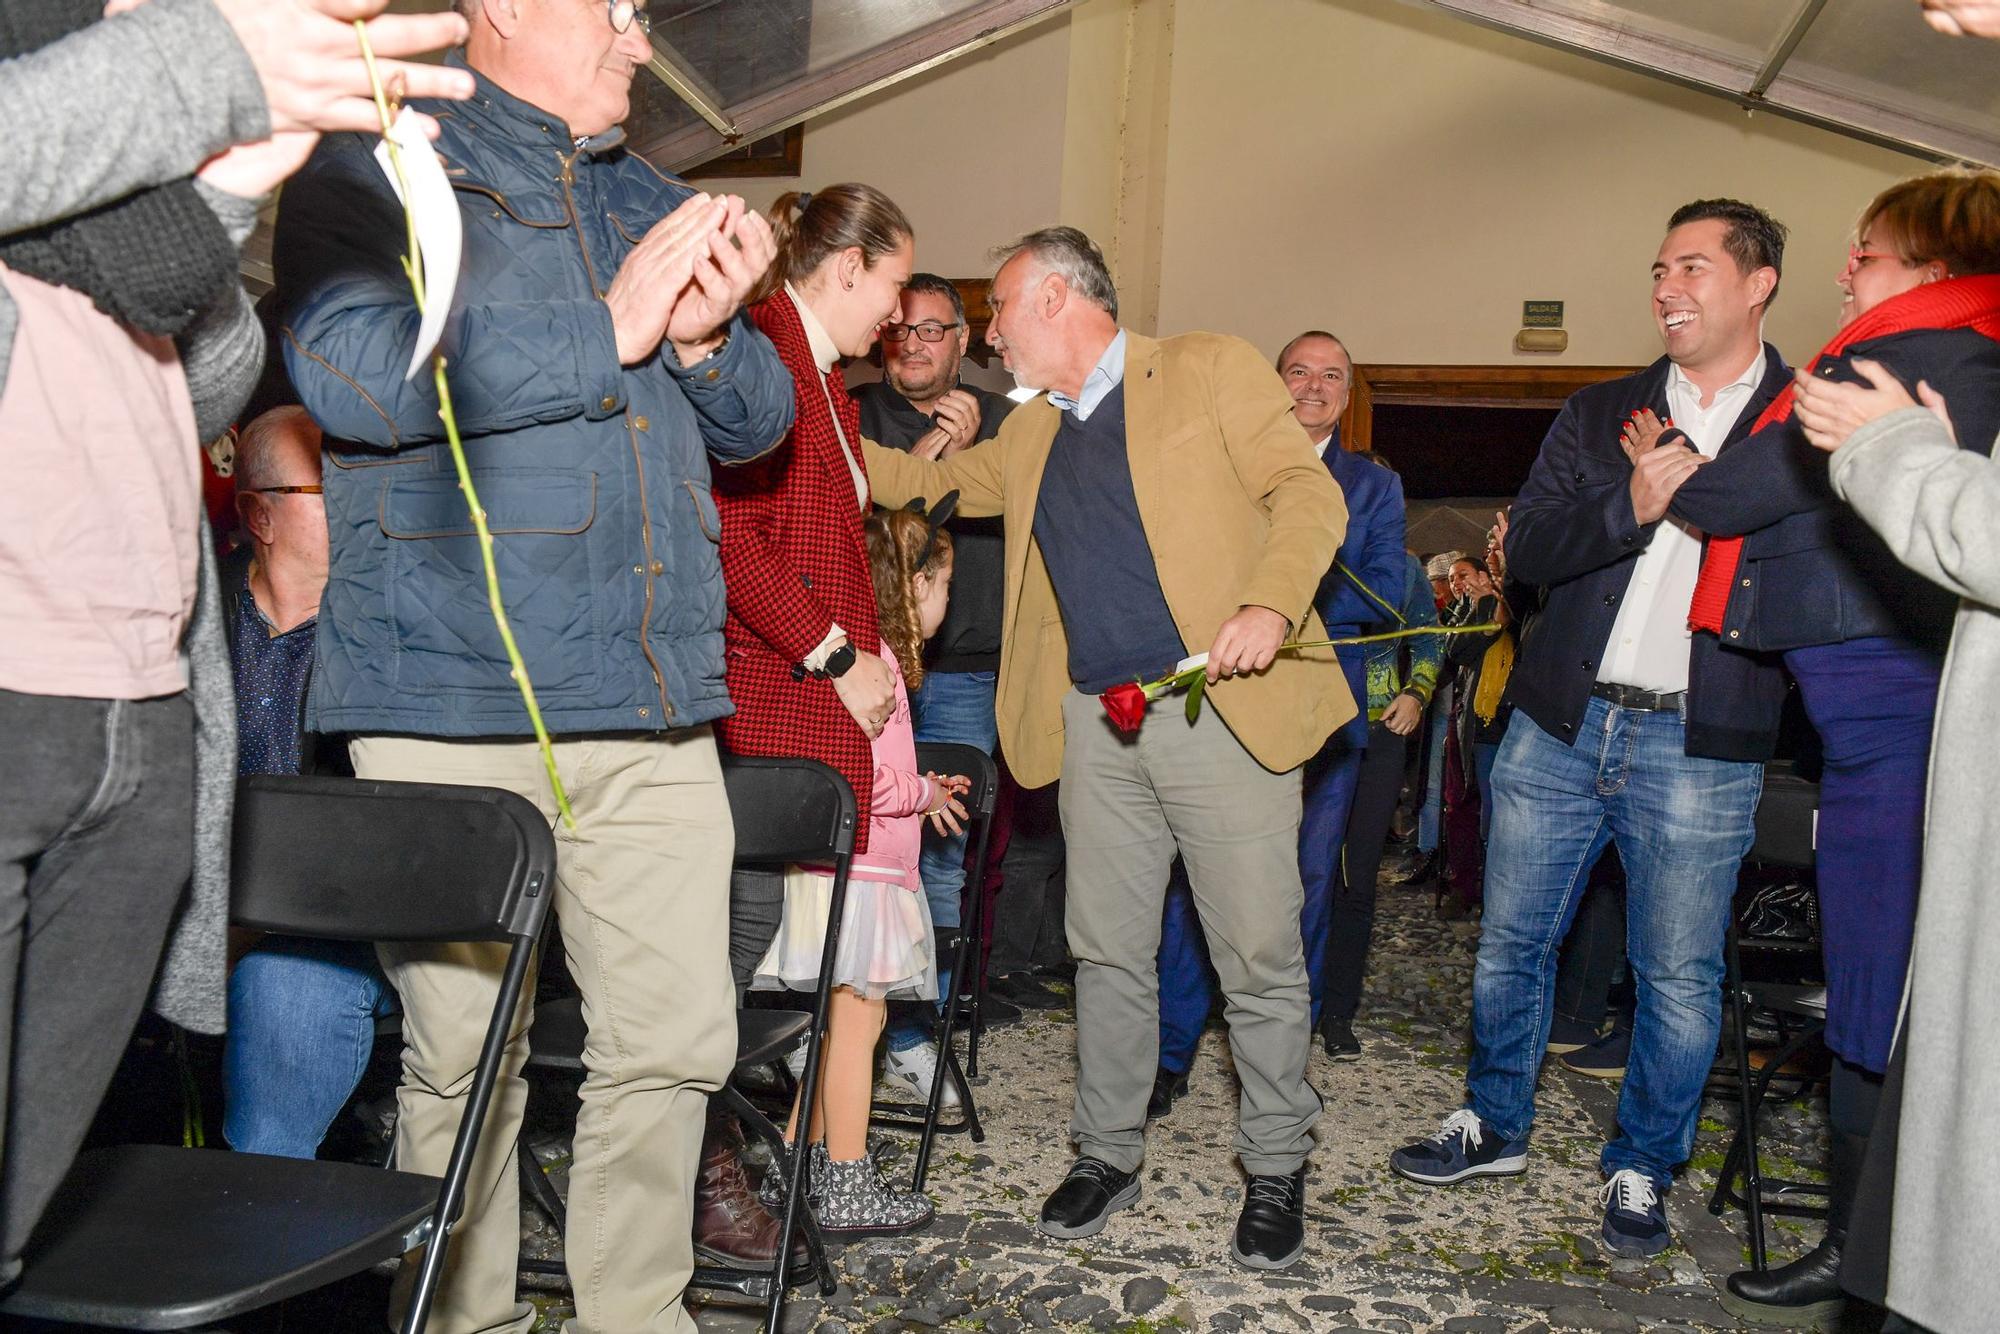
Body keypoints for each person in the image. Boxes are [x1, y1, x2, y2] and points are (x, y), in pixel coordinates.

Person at [274, 0, 795, 1324]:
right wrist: (604, 328)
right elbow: (350, 375)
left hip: (651, 702)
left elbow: (761, 424)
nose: (640, 38)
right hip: (449, 701)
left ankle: (636, 1315)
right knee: (464, 1058)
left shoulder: (649, 195)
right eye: (613, 7)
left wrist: (706, 340)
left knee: (676, 1044)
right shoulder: (376, 162)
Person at [0, 0, 471, 1289]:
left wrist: (225, 191)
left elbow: (197, 380)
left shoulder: (135, 167)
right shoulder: (130, 68)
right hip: (20, 681)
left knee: (21, 1202)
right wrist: (205, 66)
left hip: (143, 702)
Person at [863, 226, 1349, 1271]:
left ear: (1051, 298)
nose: (992, 336)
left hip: (1217, 704)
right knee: (1106, 951)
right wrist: (793, 408)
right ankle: (1107, 1151)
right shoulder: (1031, 431)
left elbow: (1307, 493)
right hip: (1096, 719)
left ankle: (1275, 1162)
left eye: (997, 310)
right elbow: (908, 478)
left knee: (1255, 954)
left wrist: (1270, 602)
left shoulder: (1207, 366)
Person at [1390, 199, 1796, 1260]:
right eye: (1659, 269)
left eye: (1693, 267)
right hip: (1561, 723)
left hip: (1701, 740)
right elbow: (1526, 549)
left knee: (1677, 977)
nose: (1666, 288)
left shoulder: (1802, 420)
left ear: (1757, 283)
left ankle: (1642, 1163)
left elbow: (1814, 577)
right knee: (1510, 943)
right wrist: (1631, 501)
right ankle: (1493, 1121)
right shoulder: (1601, 410)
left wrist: (1707, 495)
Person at [1637, 170, 2000, 1328]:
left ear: (1935, 264)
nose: (1847, 271)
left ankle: (1869, 1257)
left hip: (1893, 735)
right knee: (1893, 991)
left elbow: (1733, 494)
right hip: (1888, 724)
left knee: (1878, 994)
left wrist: (1681, 474)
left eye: (1869, 251)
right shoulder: (1967, 348)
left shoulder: (1909, 354)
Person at [1153, 328, 1404, 1090]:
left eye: (1331, 375)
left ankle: (1281, 1062)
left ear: (1347, 394)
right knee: (1194, 875)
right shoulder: (1227, 462)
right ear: (1275, 380)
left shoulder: (1373, 487)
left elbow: (1386, 594)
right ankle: (1169, 1051)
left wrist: (1280, 598)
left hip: (1324, 710)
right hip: (1223, 699)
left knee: (1307, 881)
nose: (1314, 386)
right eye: (1299, 371)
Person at [750, 504, 967, 1234]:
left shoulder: (854, 656)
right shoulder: (875, 670)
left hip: (836, 869)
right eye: (945, 585)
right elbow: (858, 779)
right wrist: (923, 794)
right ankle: (846, 1180)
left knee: (834, 1029)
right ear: (917, 584)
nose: (948, 601)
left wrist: (919, 786)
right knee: (858, 1027)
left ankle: (793, 1167)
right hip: (864, 877)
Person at [854, 273, 1022, 1099]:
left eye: (932, 331)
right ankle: (843, 1026)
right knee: (860, 848)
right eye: (901, 331)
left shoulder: (1011, 422)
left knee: (942, 858)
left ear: (964, 341)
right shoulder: (852, 413)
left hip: (966, 670)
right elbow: (862, 524)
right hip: (865, 665)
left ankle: (918, 1033)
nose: (914, 345)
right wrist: (930, 456)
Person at [219, 406, 399, 1160]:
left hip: (343, 922)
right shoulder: (188, 617)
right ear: (259, 515)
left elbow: (392, 841)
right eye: (330, 484)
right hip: (184, 906)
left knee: (283, 987)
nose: (361, 498)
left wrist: (245, 929)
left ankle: (259, 1208)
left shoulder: (399, 634)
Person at [1322, 530, 1441, 1058]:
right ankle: (1285, 1003)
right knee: (1299, 874)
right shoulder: (1302, 553)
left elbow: (1430, 640)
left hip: (1378, 737)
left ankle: (1337, 1011)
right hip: (1309, 733)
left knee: (1358, 876)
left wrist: (1416, 691)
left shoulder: (1405, 569)